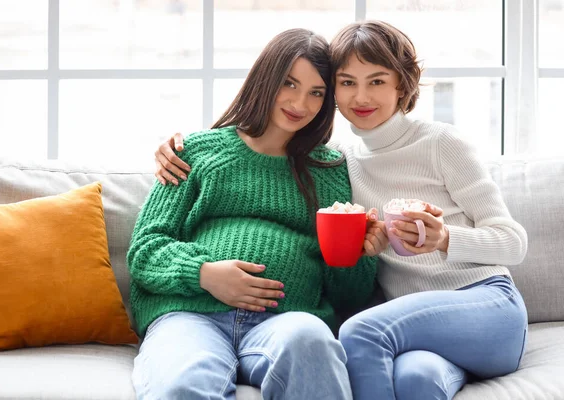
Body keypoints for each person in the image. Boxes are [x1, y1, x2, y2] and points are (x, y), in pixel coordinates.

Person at [153, 20, 529, 400]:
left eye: (377, 81)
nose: (361, 96)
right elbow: (150, 241)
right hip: (413, 328)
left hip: (481, 300)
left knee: (362, 332)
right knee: (418, 380)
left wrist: (444, 237)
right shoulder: (342, 162)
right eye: (347, 83)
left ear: (403, 84)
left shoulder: (438, 143)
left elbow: (513, 242)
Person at [127, 28, 381, 400]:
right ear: (266, 79)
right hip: (191, 316)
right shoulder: (196, 152)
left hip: (286, 322)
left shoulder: (330, 170)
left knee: (312, 345)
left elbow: (349, 297)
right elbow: (145, 250)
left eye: (316, 92)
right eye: (289, 84)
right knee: (183, 385)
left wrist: (357, 254)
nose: (300, 103)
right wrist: (205, 275)